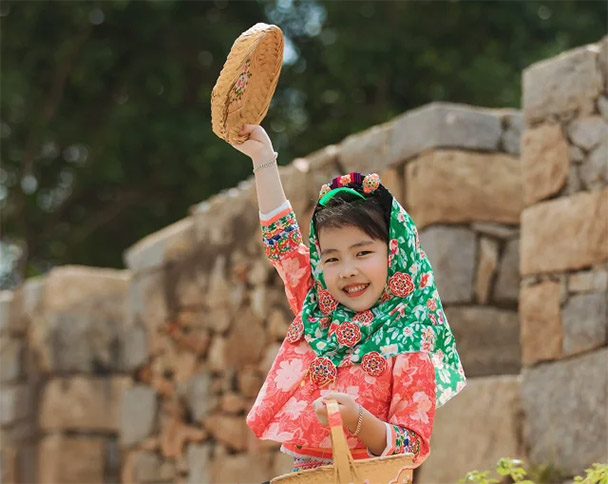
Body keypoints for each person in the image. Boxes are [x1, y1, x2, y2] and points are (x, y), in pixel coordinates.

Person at [231, 124, 466, 474]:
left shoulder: (411, 339)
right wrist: (264, 160)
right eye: (332, 258)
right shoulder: (319, 309)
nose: (347, 270)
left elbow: (414, 446)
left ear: (395, 253)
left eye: (362, 252)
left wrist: (357, 421)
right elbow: (283, 247)